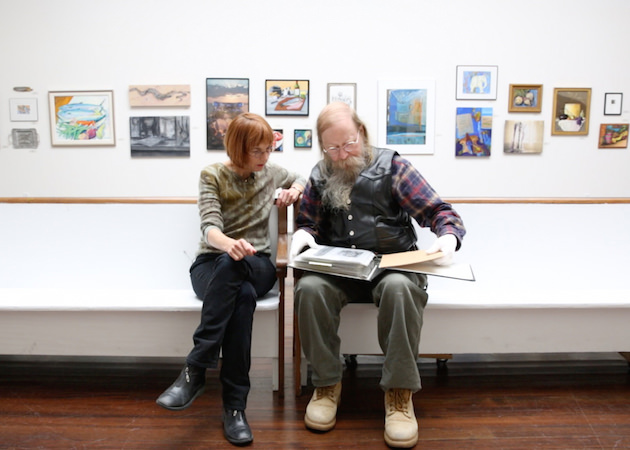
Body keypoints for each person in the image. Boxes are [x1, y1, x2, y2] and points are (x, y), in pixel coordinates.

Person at [290, 102, 466, 448]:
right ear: (323, 147)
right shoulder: (320, 173)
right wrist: (304, 234)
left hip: (392, 266)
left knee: (401, 288)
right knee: (309, 289)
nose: (342, 155)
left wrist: (447, 237)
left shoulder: (393, 166)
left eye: (349, 143)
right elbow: (308, 221)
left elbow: (438, 211)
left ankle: (399, 395)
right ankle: (326, 385)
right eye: (333, 148)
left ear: (363, 134)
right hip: (340, 271)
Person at [157, 112, 306, 446]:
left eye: (269, 150)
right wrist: (229, 245)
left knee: (238, 271)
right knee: (242, 296)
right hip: (212, 264)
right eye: (257, 151)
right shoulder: (212, 175)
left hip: (259, 264)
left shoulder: (271, 173)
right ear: (238, 148)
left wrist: (294, 189)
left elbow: (302, 178)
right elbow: (209, 227)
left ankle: (195, 369)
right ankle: (235, 408)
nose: (265, 157)